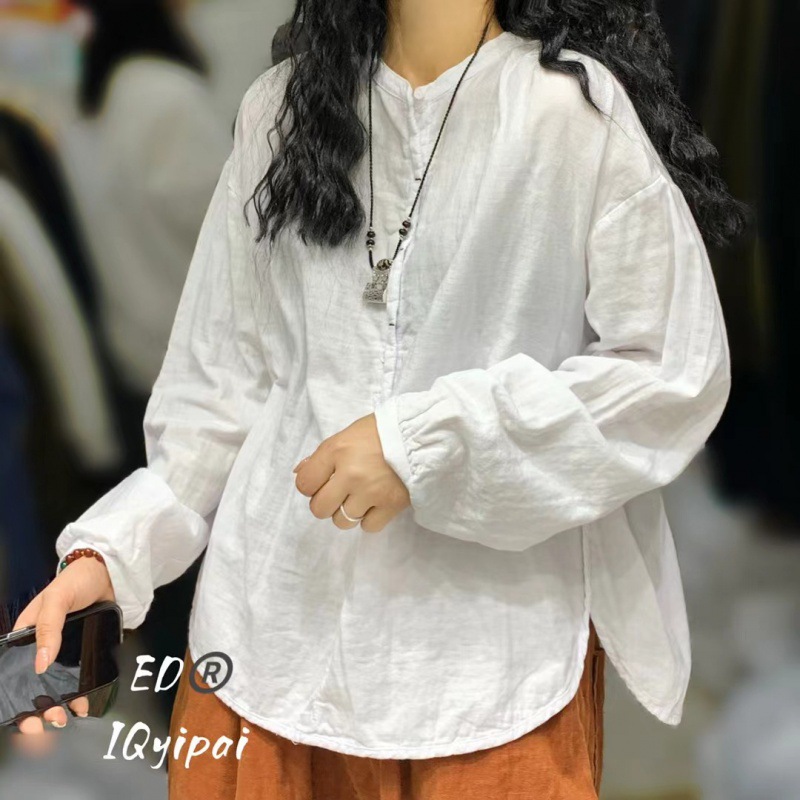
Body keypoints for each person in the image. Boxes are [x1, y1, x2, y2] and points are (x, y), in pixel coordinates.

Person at [13, 0, 747, 797]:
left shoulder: (571, 112)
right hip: (265, 654)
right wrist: (111, 556)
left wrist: (425, 446)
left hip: (488, 671)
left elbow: (668, 371)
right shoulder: (281, 109)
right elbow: (219, 390)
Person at [56, 0, 232, 720]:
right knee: (197, 591)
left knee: (156, 579)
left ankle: (178, 735)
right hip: (202, 379)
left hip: (134, 362)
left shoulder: (96, 105)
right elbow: (244, 241)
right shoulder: (168, 96)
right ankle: (202, 741)